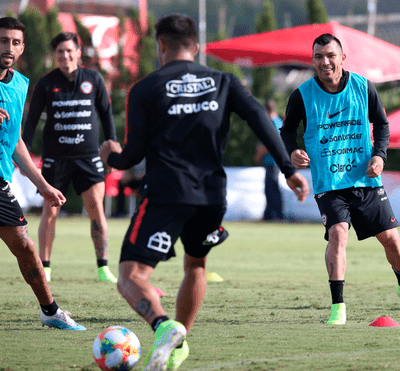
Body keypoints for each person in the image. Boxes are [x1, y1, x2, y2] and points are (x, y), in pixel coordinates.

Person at [99, 14, 308, 370]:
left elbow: (133, 154)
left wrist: (111, 156)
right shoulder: (224, 81)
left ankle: (164, 326)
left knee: (130, 275)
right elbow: (259, 117)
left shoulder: (145, 89)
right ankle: (178, 346)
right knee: (196, 264)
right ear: (196, 47)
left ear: (160, 46)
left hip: (166, 194)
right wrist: (288, 169)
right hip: (212, 195)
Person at [280, 33, 400, 325]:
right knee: (338, 234)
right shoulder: (302, 95)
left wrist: (380, 155)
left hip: (365, 182)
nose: (325, 62)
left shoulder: (363, 87)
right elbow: (287, 131)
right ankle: (338, 309)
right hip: (329, 185)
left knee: (393, 242)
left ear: (342, 58)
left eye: (331, 56)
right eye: (319, 57)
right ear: (313, 61)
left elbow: (382, 124)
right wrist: (292, 151)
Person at [0, 16, 84, 330]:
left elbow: (16, 141)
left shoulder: (20, 85)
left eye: (15, 42)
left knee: (23, 246)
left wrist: (44, 185)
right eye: (3, 40)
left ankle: (50, 312)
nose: (9, 47)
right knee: (25, 245)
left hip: (1, 179)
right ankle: (51, 311)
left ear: (22, 48)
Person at [22, 32, 118, 283]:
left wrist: (112, 146)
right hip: (56, 158)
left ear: (77, 52)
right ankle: (46, 267)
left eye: (69, 50)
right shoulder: (45, 83)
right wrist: (27, 153)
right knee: (50, 212)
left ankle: (103, 267)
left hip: (89, 156)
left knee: (96, 208)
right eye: (59, 52)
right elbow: (31, 121)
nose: (65, 55)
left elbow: (106, 114)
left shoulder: (94, 79)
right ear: (54, 56)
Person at [254, 100, 284, 220]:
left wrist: (259, 154)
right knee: (271, 188)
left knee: (272, 188)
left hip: (272, 161)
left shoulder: (273, 123)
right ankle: (270, 213)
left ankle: (275, 214)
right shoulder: (279, 122)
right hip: (274, 161)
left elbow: (271, 143)